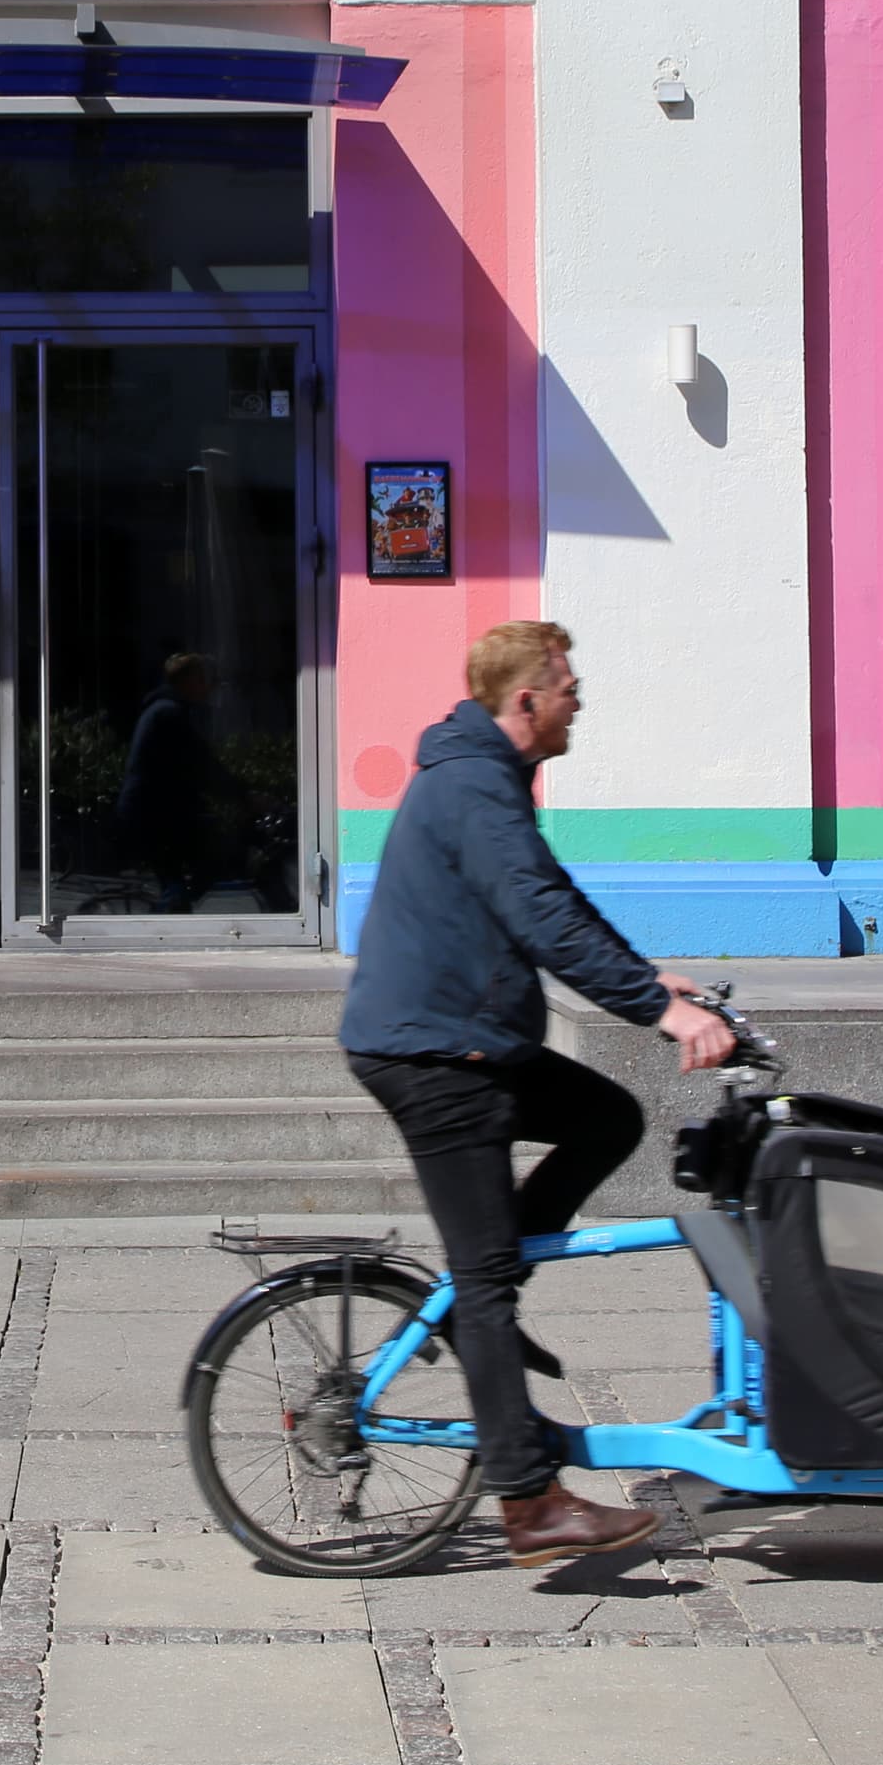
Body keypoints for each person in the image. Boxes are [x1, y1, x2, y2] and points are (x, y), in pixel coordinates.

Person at [341, 620, 738, 1565]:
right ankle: (530, 1502)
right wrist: (660, 1013)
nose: (578, 703)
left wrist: (649, 978)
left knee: (607, 1115)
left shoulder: (487, 776)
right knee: (483, 1280)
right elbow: (543, 922)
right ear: (528, 700)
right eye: (569, 690)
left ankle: (487, 1291)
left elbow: (556, 896)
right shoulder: (474, 785)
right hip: (439, 1057)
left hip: (467, 1039)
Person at [114, 653, 237, 911]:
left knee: (182, 873)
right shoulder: (168, 714)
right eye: (205, 680)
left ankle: (172, 908)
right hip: (150, 815)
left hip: (153, 812)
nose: (209, 687)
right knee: (184, 877)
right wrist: (244, 796)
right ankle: (166, 917)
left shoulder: (167, 709)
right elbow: (201, 764)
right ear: (188, 681)